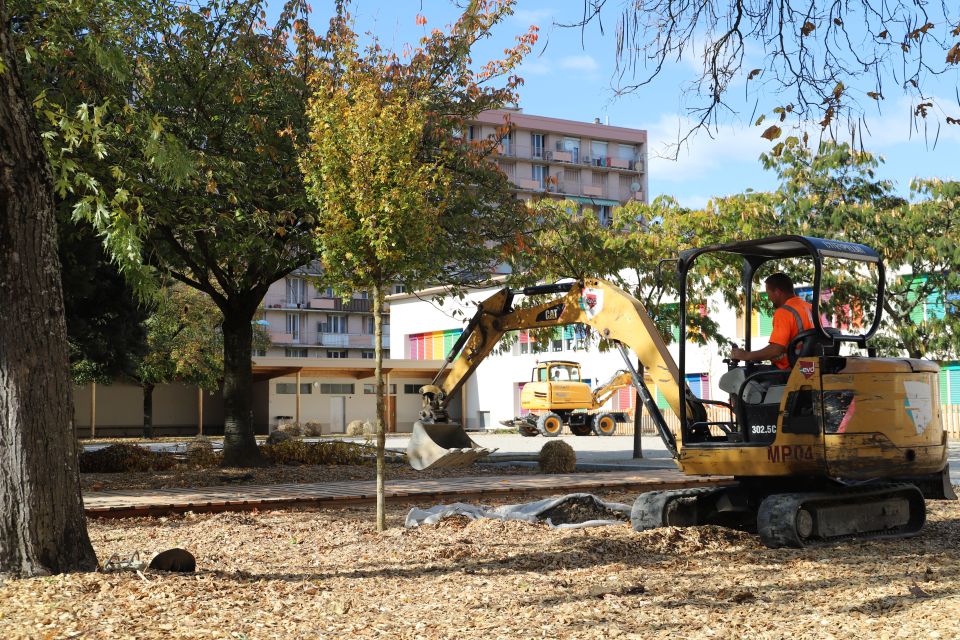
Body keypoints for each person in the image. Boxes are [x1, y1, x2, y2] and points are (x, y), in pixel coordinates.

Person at [720, 273, 814, 403]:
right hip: (807, 369)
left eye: (768, 293)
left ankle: (754, 420)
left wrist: (746, 355)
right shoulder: (809, 308)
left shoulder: (784, 312)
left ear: (777, 292)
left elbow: (776, 349)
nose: (769, 298)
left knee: (743, 376)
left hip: (788, 372)